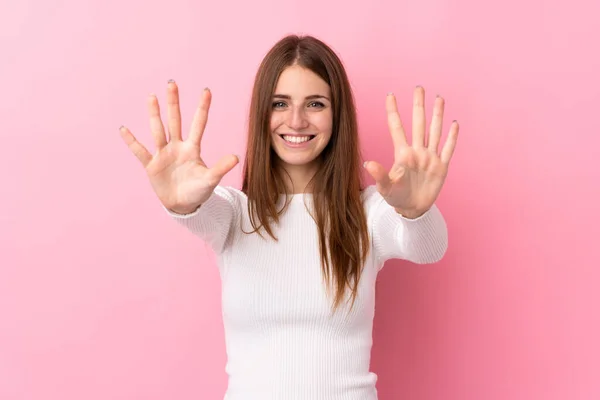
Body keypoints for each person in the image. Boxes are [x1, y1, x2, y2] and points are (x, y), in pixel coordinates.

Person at [119, 34, 458, 400]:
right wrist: (181, 204)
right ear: (262, 112)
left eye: (315, 103)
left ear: (337, 114)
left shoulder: (367, 213)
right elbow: (198, 212)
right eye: (280, 103)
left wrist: (416, 211)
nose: (296, 121)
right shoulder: (235, 213)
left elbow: (429, 248)